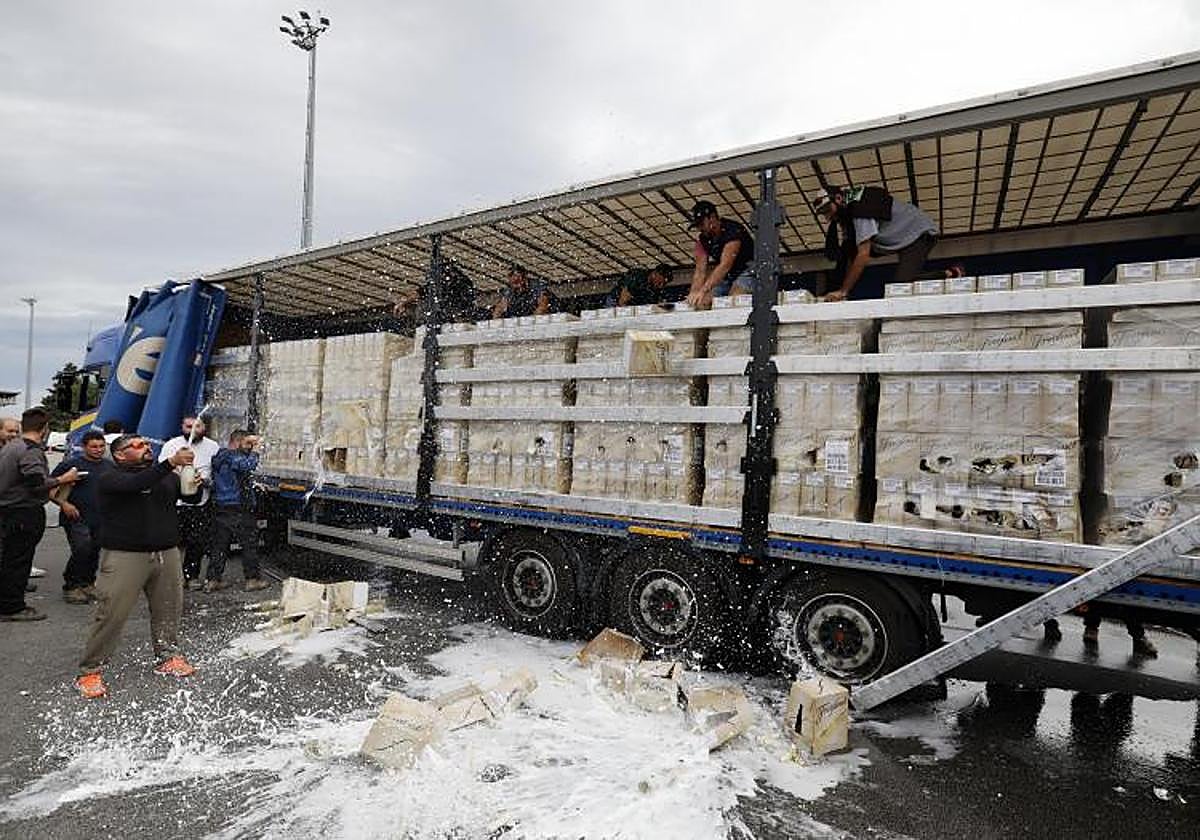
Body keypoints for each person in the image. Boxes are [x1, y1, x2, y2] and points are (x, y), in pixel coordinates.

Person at [75, 434, 199, 698]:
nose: (146, 448)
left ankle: (168, 656)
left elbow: (187, 497)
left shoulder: (166, 476)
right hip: (125, 554)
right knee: (111, 612)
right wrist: (170, 462)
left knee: (169, 609)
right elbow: (136, 484)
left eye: (147, 444)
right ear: (120, 454)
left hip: (166, 551)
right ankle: (90, 670)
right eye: (138, 445)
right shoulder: (110, 477)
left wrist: (193, 483)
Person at [0, 407, 80, 621]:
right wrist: (63, 479)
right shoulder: (30, 450)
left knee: (10, 559)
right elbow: (36, 483)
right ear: (45, 428)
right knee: (18, 561)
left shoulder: (12, 446)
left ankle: (8, 601)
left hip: (10, 511)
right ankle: (12, 607)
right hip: (23, 512)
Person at [815, 186, 961, 302]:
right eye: (823, 213)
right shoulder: (847, 208)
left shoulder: (860, 209)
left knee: (900, 287)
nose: (828, 217)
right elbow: (847, 254)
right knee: (849, 248)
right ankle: (838, 291)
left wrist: (843, 291)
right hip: (901, 235)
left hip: (918, 233)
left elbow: (863, 255)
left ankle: (950, 273)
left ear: (838, 198)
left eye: (827, 210)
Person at [49, 430, 112, 604]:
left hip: (100, 517)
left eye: (101, 446)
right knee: (82, 549)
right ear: (84, 447)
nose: (98, 450)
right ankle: (71, 586)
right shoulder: (71, 465)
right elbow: (50, 488)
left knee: (94, 550)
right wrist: (64, 504)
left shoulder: (109, 466)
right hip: (76, 517)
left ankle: (88, 583)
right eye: (94, 447)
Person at [159, 416, 220, 590]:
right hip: (176, 503)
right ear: (182, 427)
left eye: (197, 426)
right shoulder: (171, 445)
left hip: (201, 501)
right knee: (173, 541)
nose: (193, 430)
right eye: (188, 426)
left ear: (204, 428)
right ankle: (173, 577)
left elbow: (217, 473)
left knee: (197, 541)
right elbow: (162, 469)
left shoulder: (212, 446)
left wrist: (206, 481)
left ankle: (191, 576)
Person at [206, 430, 269, 593]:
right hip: (239, 506)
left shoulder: (220, 456)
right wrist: (256, 452)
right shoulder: (232, 456)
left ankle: (213, 579)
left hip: (221, 505)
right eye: (248, 443)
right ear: (237, 442)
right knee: (249, 544)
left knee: (220, 544)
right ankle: (252, 579)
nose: (249, 447)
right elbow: (247, 465)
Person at [686, 200, 755, 308]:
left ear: (712, 217)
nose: (699, 228)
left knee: (735, 298)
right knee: (703, 301)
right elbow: (700, 271)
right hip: (728, 275)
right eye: (697, 225)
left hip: (748, 269)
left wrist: (703, 290)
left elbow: (725, 265)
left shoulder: (733, 231)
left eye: (701, 224)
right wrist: (694, 293)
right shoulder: (702, 240)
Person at [392, 261, 480, 325]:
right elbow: (422, 291)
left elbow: (422, 291)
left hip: (453, 312)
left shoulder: (452, 284)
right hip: (455, 312)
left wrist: (402, 302)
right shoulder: (459, 282)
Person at [491, 264, 556, 319]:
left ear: (524, 277)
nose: (516, 285)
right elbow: (500, 308)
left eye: (518, 280)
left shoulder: (537, 286)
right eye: (513, 282)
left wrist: (531, 322)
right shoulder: (510, 291)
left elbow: (543, 306)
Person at [604, 264, 674, 308]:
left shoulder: (655, 290)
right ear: (654, 274)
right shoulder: (638, 276)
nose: (661, 286)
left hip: (630, 305)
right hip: (615, 301)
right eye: (659, 282)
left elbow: (657, 306)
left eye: (664, 284)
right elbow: (623, 298)